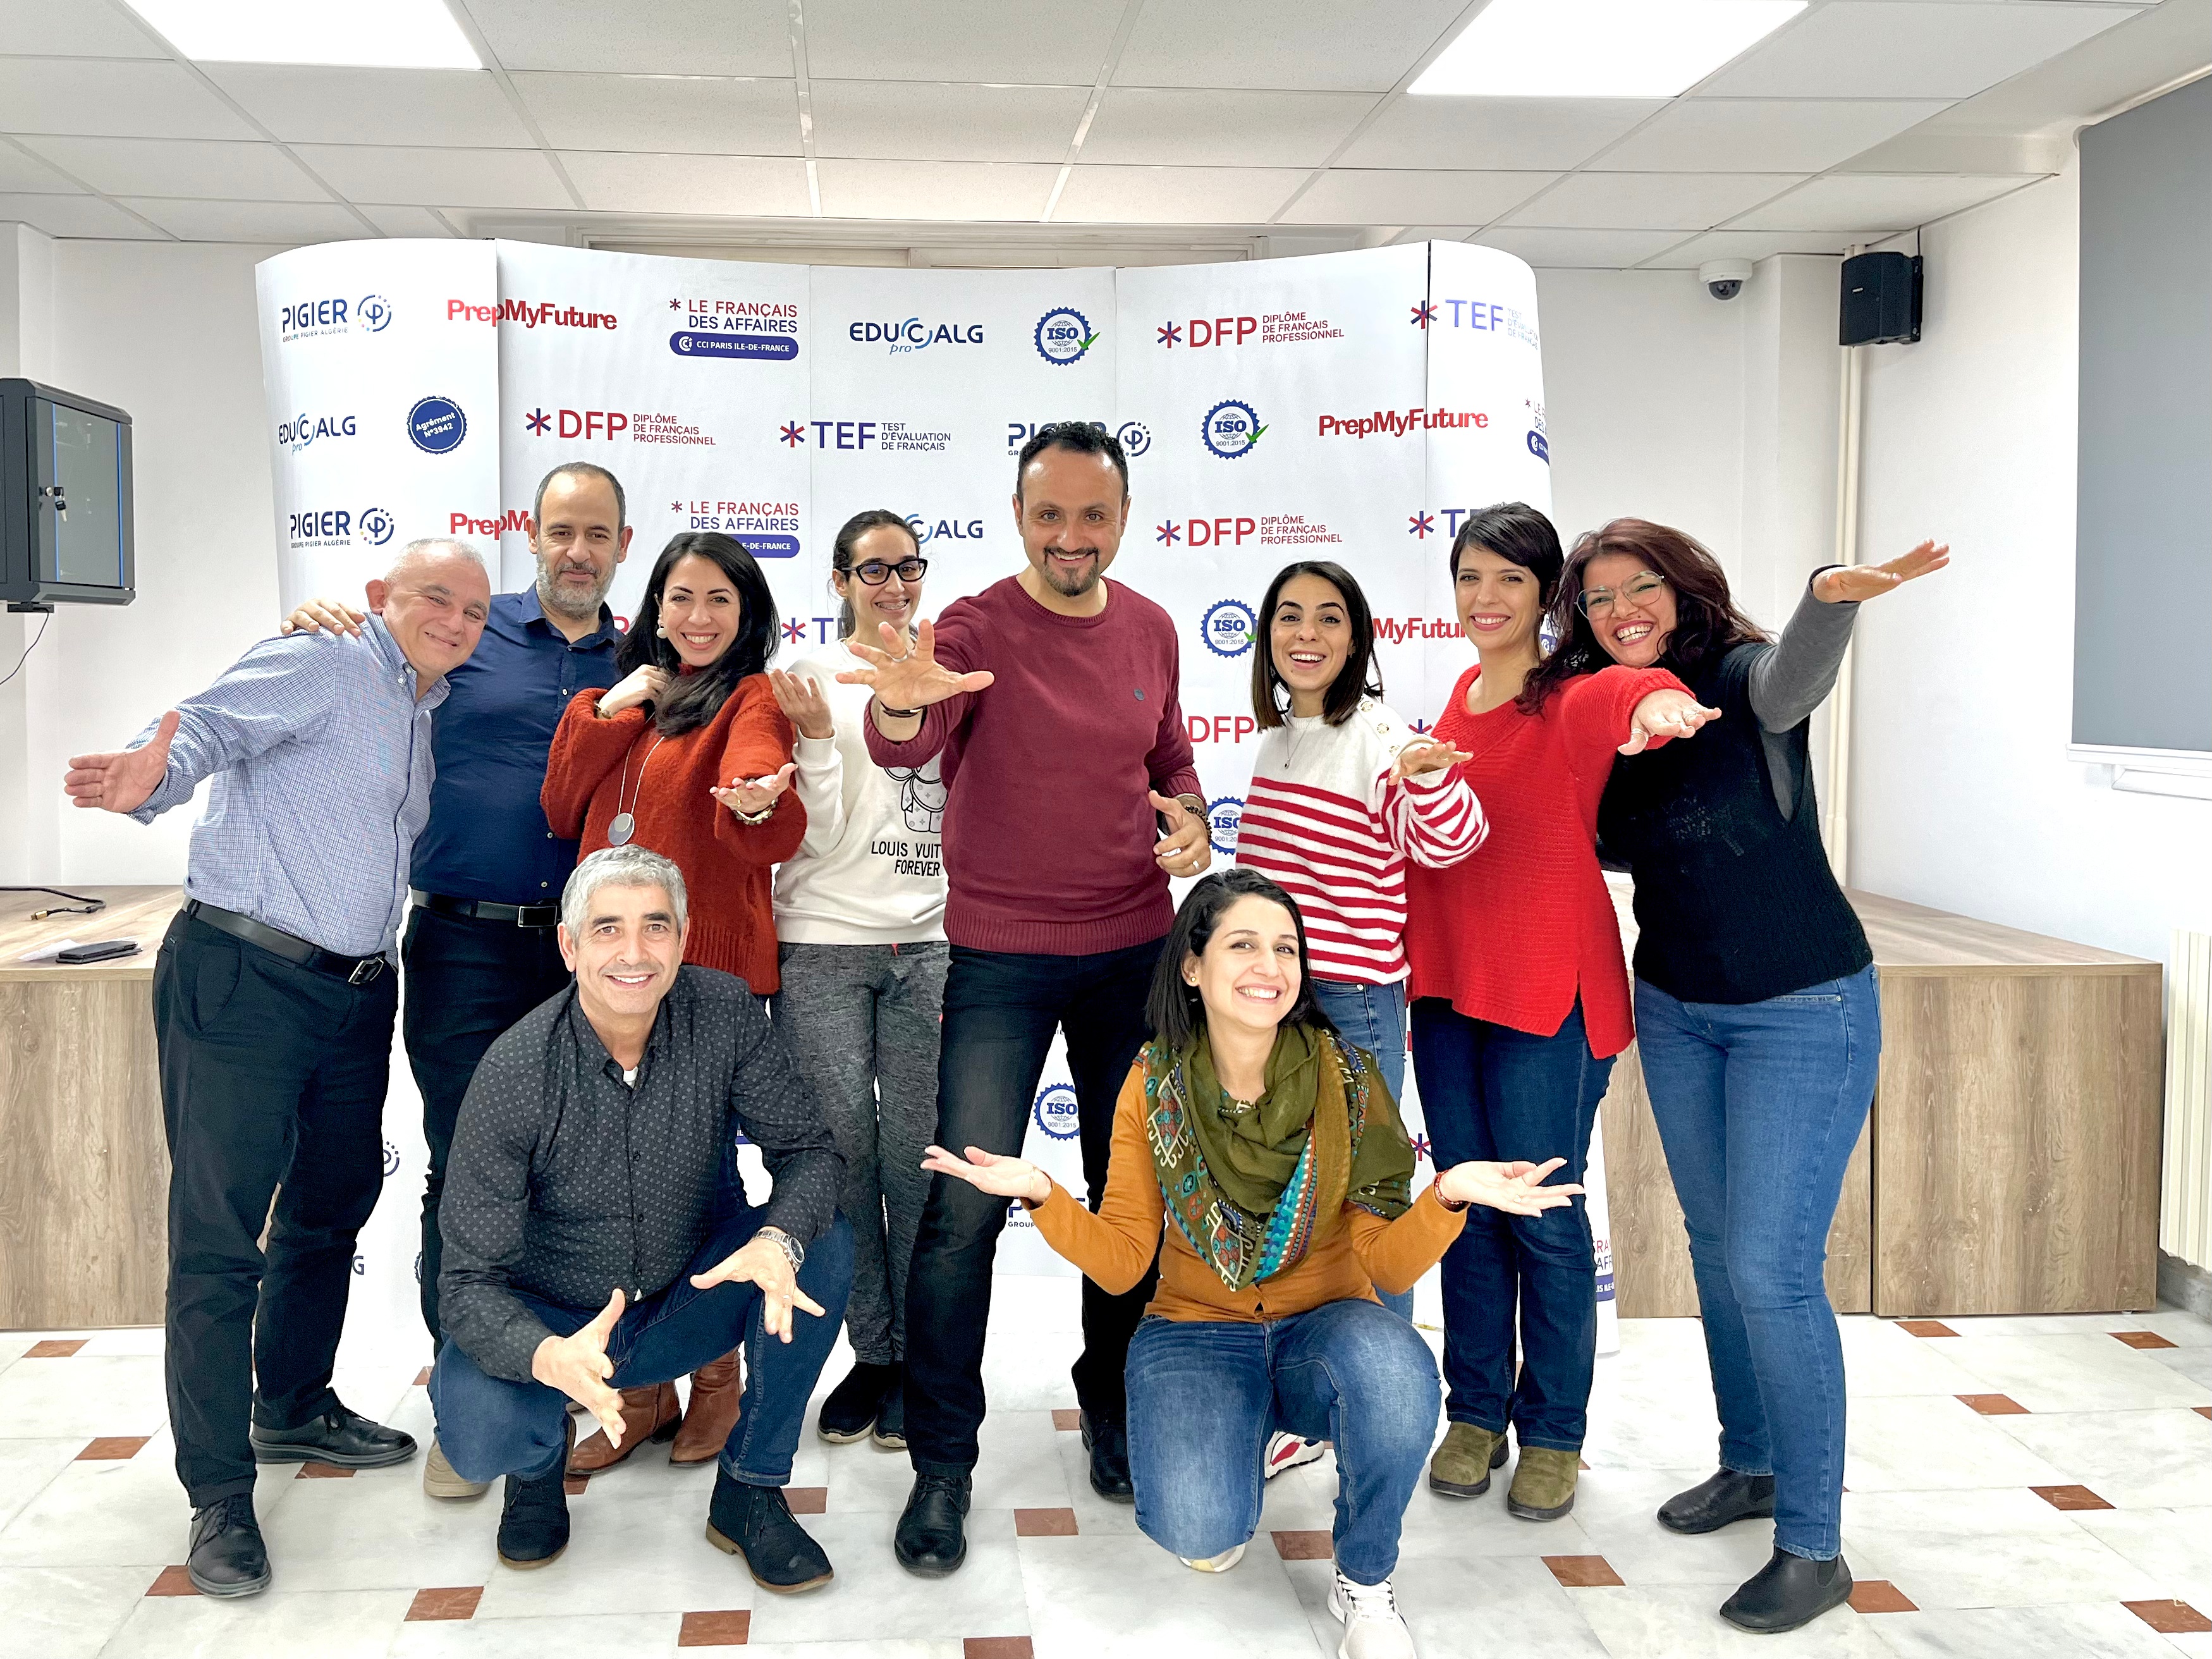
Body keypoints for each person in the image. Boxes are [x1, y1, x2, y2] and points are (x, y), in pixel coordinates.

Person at [924, 869, 1582, 1659]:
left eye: (1286, 948)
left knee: (1394, 1374)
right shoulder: (1152, 1082)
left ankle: (1364, 1578)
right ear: (1192, 966)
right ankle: (1249, 1430)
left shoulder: (1347, 1079)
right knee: (1197, 1525)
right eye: (1243, 944)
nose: (1270, 965)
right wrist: (1041, 1192)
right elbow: (1124, 1262)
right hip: (1195, 1327)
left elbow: (1387, 1266)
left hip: (1326, 1325)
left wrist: (1447, 1195)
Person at [62, 538, 493, 1598]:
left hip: (356, 989)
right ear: (380, 596)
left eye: (475, 611)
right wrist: (147, 773)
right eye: (436, 598)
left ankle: (292, 1402)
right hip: (245, 978)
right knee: (217, 1244)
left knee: (330, 1202)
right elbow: (203, 728)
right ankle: (217, 1494)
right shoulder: (324, 657)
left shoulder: (422, 704)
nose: (455, 620)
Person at [1538, 520, 1947, 1633]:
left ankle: (1812, 1548)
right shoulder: (1599, 707)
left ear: (1682, 590)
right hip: (1677, 1007)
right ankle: (1751, 1462)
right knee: (1716, 1251)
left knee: (1771, 1268)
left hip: (1800, 1007)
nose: (1620, 610)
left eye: (1640, 587)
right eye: (1597, 597)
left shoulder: (1736, 679)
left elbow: (1791, 677)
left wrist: (1830, 597)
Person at [839, 421, 1212, 1574]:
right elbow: (907, 734)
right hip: (999, 961)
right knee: (962, 1210)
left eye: (1092, 515)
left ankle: (1112, 1401)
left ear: (1122, 518)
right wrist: (902, 703)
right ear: (1016, 517)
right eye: (1048, 514)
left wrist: (1192, 816)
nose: (1069, 536)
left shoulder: (1150, 626)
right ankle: (942, 1462)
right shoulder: (972, 627)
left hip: (1131, 954)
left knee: (1130, 1198)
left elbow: (1168, 756)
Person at [280, 462, 631, 1500]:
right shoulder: (466, 631)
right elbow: (363, 662)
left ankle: (562, 1387)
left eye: (597, 534)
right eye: (560, 531)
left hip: (588, 954)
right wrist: (319, 625)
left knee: (575, 1180)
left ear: (622, 544)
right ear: (534, 533)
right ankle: (471, 1408)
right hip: (464, 947)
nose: (577, 551)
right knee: (469, 1176)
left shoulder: (643, 654)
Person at [1402, 503, 1716, 1524]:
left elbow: (1627, 690)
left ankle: (1551, 1432)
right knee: (1467, 1210)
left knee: (1540, 1218)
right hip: (1447, 991)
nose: (1484, 597)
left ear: (1545, 595)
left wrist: (1660, 700)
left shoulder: (1568, 695)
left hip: (1547, 993)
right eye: (1469, 577)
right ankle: (1473, 1412)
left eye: (1508, 579)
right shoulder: (1453, 701)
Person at [431, 846, 853, 1590]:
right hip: (559, 1321)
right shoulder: (515, 1069)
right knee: (480, 1432)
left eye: (655, 926)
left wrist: (775, 1237)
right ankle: (536, 1468)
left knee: (819, 1243)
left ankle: (750, 1488)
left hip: (683, 1300)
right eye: (607, 929)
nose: (634, 952)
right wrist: (543, 1355)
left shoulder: (723, 1012)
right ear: (569, 946)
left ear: (682, 939)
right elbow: (466, 1283)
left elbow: (809, 1151)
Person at [539, 529, 805, 1473]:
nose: (697, 617)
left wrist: (756, 797)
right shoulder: (622, 702)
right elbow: (560, 806)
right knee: (613, 1186)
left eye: (719, 600)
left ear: (747, 614)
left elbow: (760, 794)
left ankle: (716, 1376)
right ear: (654, 605)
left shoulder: (751, 696)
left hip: (701, 982)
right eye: (681, 597)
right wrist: (611, 708)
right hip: (611, 979)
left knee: (699, 1183)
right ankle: (643, 1384)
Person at [1235, 558, 1486, 1477]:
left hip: (1351, 1007)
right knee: (1294, 1211)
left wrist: (1428, 781)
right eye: (1289, 615)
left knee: (1368, 1215)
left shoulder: (1378, 736)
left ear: (1356, 638)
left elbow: (1450, 843)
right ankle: (1313, 1408)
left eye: (1328, 617)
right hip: (1276, 1011)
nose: (1306, 633)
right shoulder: (1276, 741)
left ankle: (1383, 1415)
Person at [767, 510, 948, 1452]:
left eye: (907, 567)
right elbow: (812, 832)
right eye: (872, 569)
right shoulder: (805, 675)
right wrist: (816, 741)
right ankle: (871, 1353)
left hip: (930, 948)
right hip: (824, 945)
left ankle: (918, 1357)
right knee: (842, 1162)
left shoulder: (950, 674)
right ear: (839, 579)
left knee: (916, 1163)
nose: (893, 585)